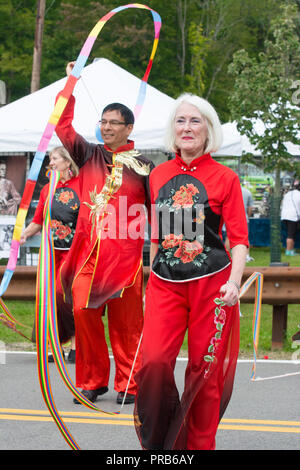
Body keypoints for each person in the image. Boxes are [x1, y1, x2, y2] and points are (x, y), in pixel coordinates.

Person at [134, 93, 248, 450]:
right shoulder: (158, 175)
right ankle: (162, 446)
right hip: (165, 285)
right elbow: (157, 235)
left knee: (204, 375)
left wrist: (233, 284)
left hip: (212, 287)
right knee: (152, 363)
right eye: (181, 121)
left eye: (195, 121)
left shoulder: (225, 178)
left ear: (208, 130)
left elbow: (240, 241)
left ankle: (198, 447)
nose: (187, 127)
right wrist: (149, 281)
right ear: (173, 129)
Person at [54, 61, 154, 405]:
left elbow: (157, 212)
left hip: (125, 260)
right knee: (82, 311)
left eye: (114, 123)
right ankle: (93, 380)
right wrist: (72, 83)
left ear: (129, 127)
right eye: (104, 122)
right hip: (88, 256)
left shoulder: (144, 166)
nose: (107, 127)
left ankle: (130, 383)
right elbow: (62, 126)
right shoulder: (89, 154)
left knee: (128, 326)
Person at [20, 146, 80, 362]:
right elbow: (37, 221)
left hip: (75, 254)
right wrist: (23, 235)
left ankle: (76, 344)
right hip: (51, 254)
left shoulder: (82, 186)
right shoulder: (47, 189)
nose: (51, 163)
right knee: (50, 298)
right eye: (50, 159)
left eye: (54, 158)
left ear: (67, 161)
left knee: (68, 298)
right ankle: (55, 346)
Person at [281, 180, 300, 256]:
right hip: (293, 217)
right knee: (291, 235)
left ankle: (291, 250)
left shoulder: (287, 194)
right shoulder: (299, 194)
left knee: (291, 234)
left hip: (285, 216)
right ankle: (288, 251)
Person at [241, 185, 254, 262]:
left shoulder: (226, 190)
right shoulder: (247, 192)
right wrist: (247, 216)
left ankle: (228, 257)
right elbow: (250, 207)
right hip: (243, 217)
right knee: (244, 237)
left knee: (228, 238)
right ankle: (246, 256)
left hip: (229, 216)